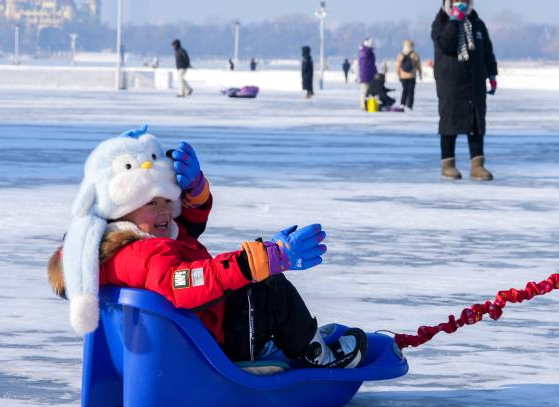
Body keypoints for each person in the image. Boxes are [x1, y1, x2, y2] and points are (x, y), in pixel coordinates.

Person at [47, 127, 367, 370]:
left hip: (187, 338)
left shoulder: (119, 247)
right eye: (151, 203)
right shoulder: (146, 254)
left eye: (167, 200)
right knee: (269, 288)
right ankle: (314, 354)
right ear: (122, 210)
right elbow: (188, 284)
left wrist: (195, 190)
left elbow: (187, 231)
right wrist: (266, 258)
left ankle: (295, 334)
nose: (164, 210)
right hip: (209, 347)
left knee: (253, 279)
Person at [431, 0, 498, 181]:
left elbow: (487, 51)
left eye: (465, 0)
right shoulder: (441, 23)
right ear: (448, 1)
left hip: (475, 82)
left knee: (476, 124)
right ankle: (448, 164)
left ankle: (477, 166)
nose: (461, 3)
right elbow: (446, 45)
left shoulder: (477, 24)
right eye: (456, 0)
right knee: (449, 122)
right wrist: (454, 21)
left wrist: (492, 74)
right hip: (450, 83)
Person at [395, 39, 422, 110]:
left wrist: (398, 74)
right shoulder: (415, 54)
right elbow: (418, 66)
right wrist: (420, 74)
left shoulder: (400, 55)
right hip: (412, 76)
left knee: (405, 90)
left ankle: (402, 104)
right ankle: (410, 105)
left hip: (403, 76)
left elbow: (397, 66)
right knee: (411, 91)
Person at [358, 39, 377, 110]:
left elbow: (372, 65)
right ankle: (363, 105)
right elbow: (368, 64)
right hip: (365, 75)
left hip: (370, 75)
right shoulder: (365, 52)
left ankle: (368, 105)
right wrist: (369, 48)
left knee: (369, 91)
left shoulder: (366, 52)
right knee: (364, 91)